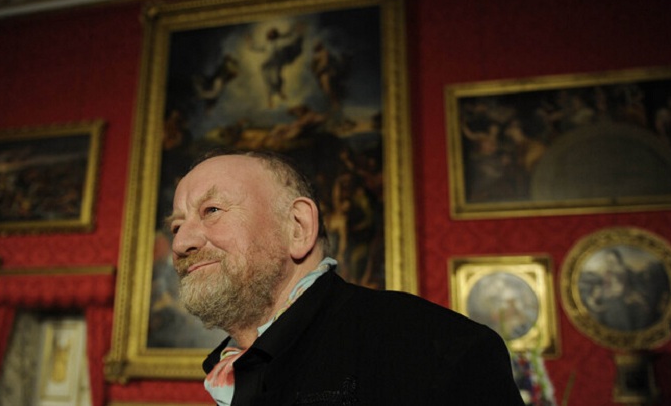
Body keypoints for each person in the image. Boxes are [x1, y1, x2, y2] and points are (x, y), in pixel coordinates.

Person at [166, 148, 524, 405]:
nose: (181, 243)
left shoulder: (440, 349)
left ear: (297, 227)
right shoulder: (229, 369)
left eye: (212, 210)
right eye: (176, 226)